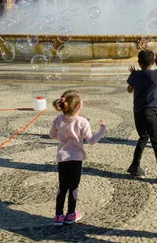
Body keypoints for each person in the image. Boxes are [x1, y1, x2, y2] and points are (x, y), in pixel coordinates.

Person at [49, 90, 106, 226]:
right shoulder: (82, 121)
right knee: (73, 187)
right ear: (80, 106)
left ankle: (58, 216)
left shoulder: (58, 119)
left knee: (62, 187)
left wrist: (62, 136)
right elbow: (91, 140)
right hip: (76, 159)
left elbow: (52, 135)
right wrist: (102, 129)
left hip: (62, 158)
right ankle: (71, 214)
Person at [126, 50, 157, 183]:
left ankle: (135, 166)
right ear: (152, 62)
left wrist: (134, 77)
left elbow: (129, 90)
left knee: (143, 137)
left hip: (138, 113)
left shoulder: (135, 75)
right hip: (150, 113)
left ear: (139, 63)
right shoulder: (155, 74)